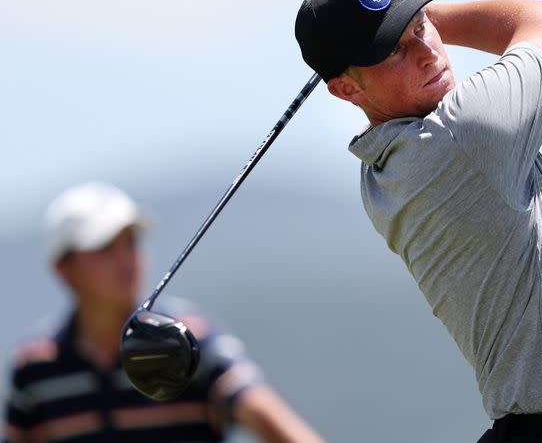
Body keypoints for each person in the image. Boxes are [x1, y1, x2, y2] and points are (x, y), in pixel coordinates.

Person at [294, 0, 542, 442]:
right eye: (394, 50)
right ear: (346, 89)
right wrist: (431, 16)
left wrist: (390, 26)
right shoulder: (460, 136)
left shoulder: (379, 174)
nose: (427, 53)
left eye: (421, 27)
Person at [3, 182, 325, 443]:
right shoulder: (34, 367)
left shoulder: (191, 337)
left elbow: (261, 413)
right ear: (64, 269)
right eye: (105, 247)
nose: (126, 257)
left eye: (131, 241)